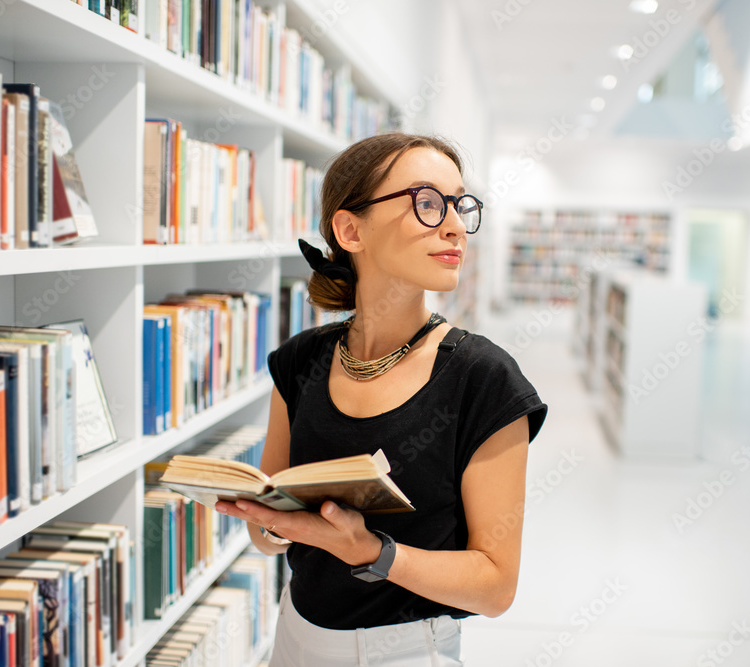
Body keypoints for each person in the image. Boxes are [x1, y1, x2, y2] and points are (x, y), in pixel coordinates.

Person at [215, 133, 548, 666]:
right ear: (350, 230)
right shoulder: (301, 361)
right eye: (427, 202)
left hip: (406, 651)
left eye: (460, 204)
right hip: (295, 632)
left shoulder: (483, 378)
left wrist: (373, 553)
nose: (456, 225)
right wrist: (271, 524)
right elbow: (268, 533)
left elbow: (495, 586)